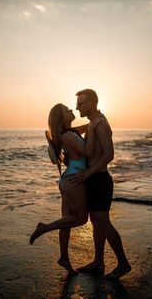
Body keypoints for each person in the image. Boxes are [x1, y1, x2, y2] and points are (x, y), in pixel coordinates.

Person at [29, 103, 101, 275]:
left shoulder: (68, 132)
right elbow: (88, 151)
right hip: (74, 179)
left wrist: (95, 121)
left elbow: (87, 126)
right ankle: (44, 228)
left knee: (67, 221)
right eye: (67, 110)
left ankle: (64, 259)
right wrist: (94, 128)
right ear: (62, 118)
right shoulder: (68, 135)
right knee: (81, 219)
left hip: (66, 179)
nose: (71, 110)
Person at [69, 89, 131, 279]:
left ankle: (123, 263)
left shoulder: (101, 125)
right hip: (93, 180)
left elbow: (109, 155)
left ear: (90, 104)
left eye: (80, 104)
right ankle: (98, 262)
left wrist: (87, 173)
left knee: (103, 222)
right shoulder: (93, 123)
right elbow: (80, 131)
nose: (77, 107)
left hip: (100, 180)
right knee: (96, 222)